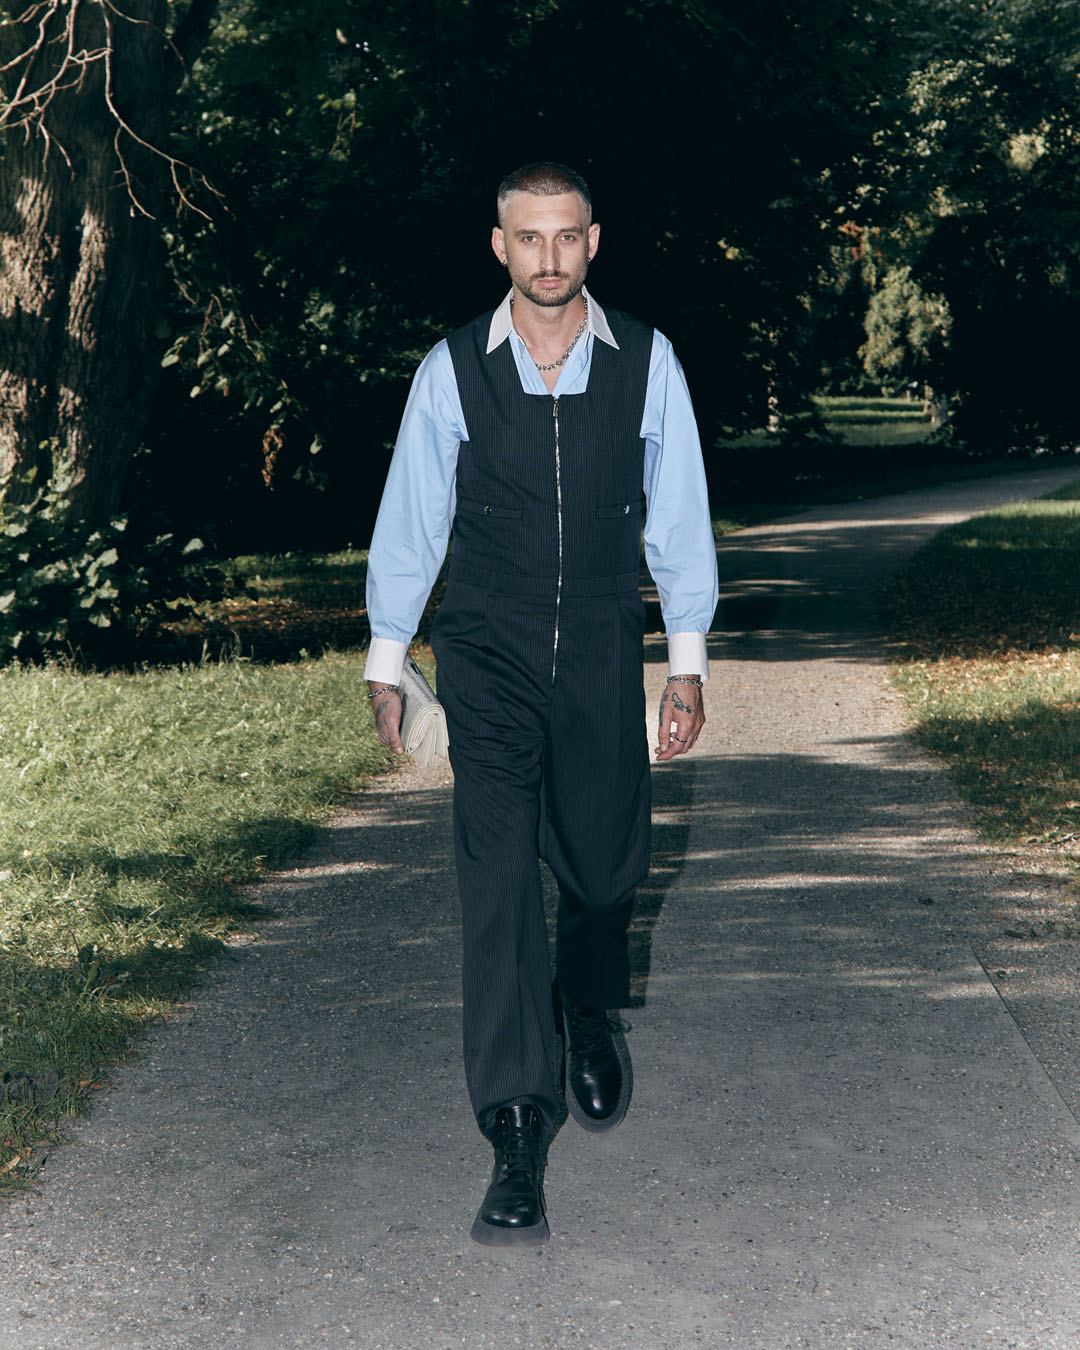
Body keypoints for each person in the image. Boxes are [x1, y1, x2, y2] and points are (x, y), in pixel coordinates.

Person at [364, 162, 718, 1247]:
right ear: (500, 246)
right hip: (487, 651)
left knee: (606, 867)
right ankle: (517, 1126)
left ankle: (589, 1001)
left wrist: (686, 659)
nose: (549, 256)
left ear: (593, 242)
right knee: (499, 884)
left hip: (603, 641)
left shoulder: (647, 362)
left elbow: (679, 512)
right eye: (530, 237)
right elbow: (414, 517)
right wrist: (389, 656)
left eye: (567, 236)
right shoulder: (451, 371)